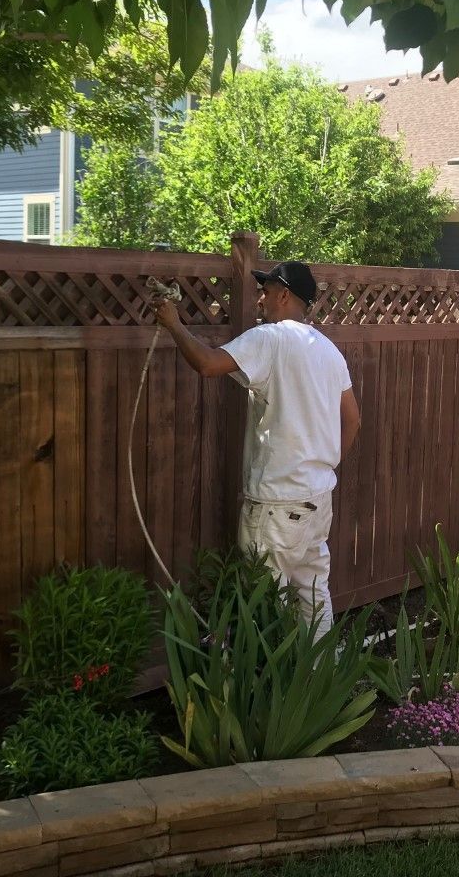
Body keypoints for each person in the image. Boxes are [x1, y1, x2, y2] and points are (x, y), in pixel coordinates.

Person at [152, 260, 360, 636]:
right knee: (313, 595)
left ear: (283, 295)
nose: (260, 300)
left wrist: (173, 325)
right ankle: (319, 680)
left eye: (265, 292)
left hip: (277, 505)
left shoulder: (270, 339)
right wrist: (322, 466)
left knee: (260, 603)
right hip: (317, 497)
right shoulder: (329, 351)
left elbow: (207, 364)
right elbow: (354, 420)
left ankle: (265, 689)